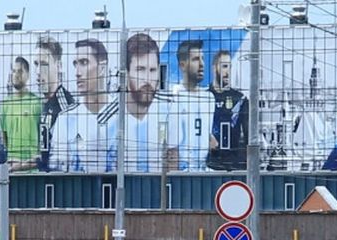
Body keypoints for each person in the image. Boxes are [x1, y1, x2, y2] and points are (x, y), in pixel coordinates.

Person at [101, 33, 178, 173]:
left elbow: (173, 158)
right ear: (126, 72)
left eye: (153, 70)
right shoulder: (107, 118)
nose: (148, 79)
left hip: (160, 193)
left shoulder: (169, 108)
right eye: (140, 70)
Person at [49, 38, 109, 172]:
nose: (77, 73)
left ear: (102, 69)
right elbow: (57, 169)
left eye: (84, 62)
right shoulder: (65, 119)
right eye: (75, 64)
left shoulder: (121, 115)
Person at [173, 39, 217, 171]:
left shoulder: (209, 98)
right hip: (179, 171)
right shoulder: (173, 97)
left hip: (203, 169)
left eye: (202, 58)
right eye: (196, 59)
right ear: (182, 65)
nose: (202, 64)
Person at [35, 36, 76, 171]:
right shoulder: (41, 105)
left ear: (59, 66)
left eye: (44, 64)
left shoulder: (66, 107)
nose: (38, 72)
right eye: (36, 64)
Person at [207, 49, 248, 171]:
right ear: (214, 68)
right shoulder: (204, 97)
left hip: (235, 165)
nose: (228, 72)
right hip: (210, 164)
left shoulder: (240, 99)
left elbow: (248, 137)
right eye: (224, 66)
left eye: (229, 67)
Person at [0, 56, 42, 172]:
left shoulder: (36, 102)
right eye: (14, 71)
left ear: (27, 75)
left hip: (32, 170)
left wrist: (28, 163)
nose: (16, 75)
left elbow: (42, 135)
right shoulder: (5, 104)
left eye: (20, 71)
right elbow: (4, 136)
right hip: (11, 168)